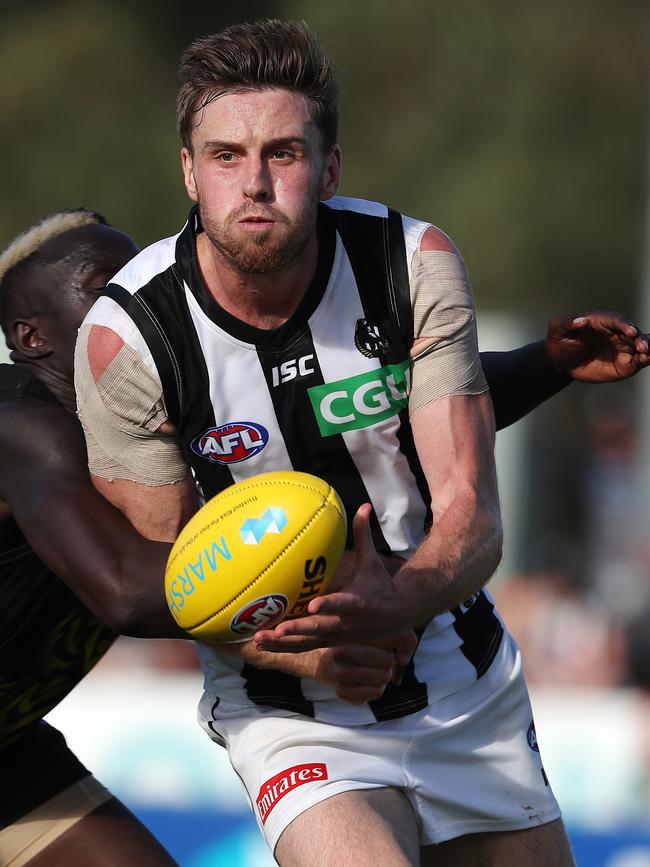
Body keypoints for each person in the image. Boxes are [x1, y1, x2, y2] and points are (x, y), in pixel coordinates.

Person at [72, 20, 650, 867]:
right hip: (289, 709)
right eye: (226, 156)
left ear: (331, 167)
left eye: (285, 153)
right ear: (190, 172)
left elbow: (472, 514)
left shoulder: (413, 264)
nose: (256, 183)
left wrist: (398, 602)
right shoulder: (127, 340)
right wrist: (321, 649)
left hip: (458, 672)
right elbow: (176, 581)